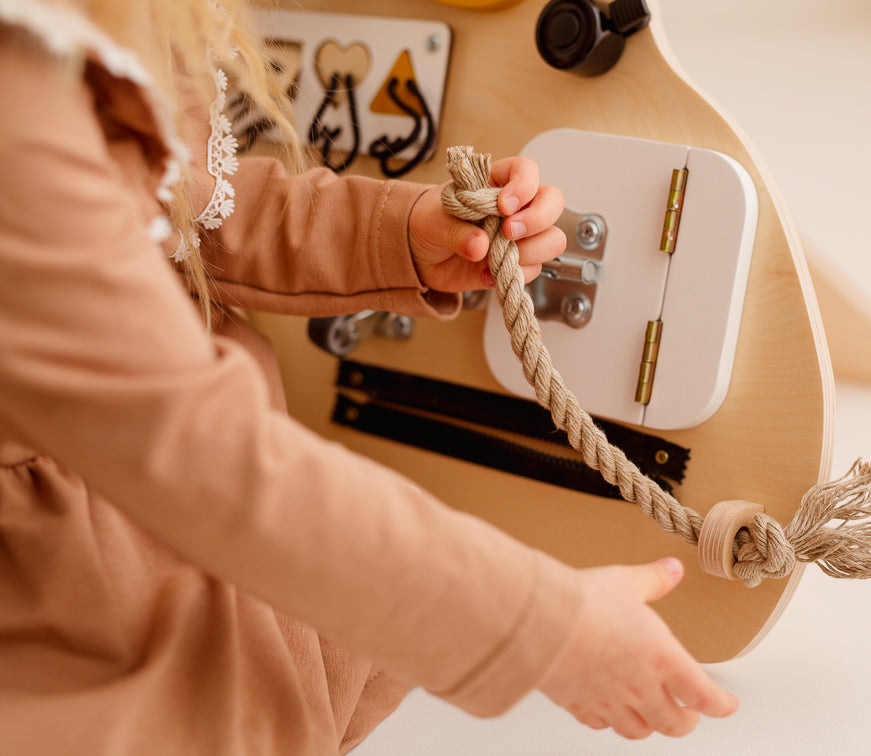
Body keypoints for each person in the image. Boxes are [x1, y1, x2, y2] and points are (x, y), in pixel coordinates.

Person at [0, 0, 739, 752]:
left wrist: (402, 235)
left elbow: (186, 206)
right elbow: (207, 459)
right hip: (83, 572)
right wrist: (548, 628)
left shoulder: (82, 56)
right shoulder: (20, 111)